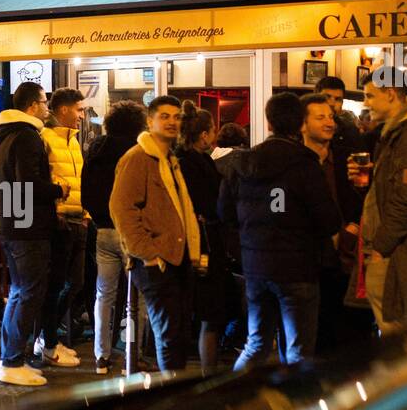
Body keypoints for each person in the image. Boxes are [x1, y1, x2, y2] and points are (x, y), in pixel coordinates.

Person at [220, 92, 341, 369]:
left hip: (256, 267)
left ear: (269, 122)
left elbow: (224, 212)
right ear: (300, 124)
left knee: (256, 342)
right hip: (297, 268)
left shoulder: (243, 163)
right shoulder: (305, 164)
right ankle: (295, 406)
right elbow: (329, 220)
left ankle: (231, 400)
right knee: (298, 350)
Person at [346, 76, 407, 335]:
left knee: (403, 337)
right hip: (398, 251)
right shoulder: (397, 134)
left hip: (400, 254)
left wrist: (381, 247)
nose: (366, 104)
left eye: (369, 96)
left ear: (391, 93)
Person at [110, 95, 203, 372]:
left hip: (177, 257)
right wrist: (148, 253)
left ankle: (174, 392)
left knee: (177, 334)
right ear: (150, 121)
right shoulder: (138, 157)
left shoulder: (169, 159)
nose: (172, 121)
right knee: (169, 336)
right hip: (156, 260)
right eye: (165, 116)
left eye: (177, 117)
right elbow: (122, 208)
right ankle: (170, 398)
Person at [0, 82, 68, 386]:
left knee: (18, 292)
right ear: (33, 106)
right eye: (44, 102)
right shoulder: (26, 137)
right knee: (29, 293)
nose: (47, 107)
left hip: (12, 225)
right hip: (27, 228)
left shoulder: (8, 137)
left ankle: (11, 358)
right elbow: (29, 184)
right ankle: (11, 361)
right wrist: (58, 190)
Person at [82, 100, 149, 374]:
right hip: (132, 232)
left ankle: (101, 356)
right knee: (138, 298)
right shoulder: (139, 151)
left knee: (104, 294)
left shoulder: (95, 151)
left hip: (103, 231)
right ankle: (134, 355)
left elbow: (87, 193)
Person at [300, 92, 367, 354]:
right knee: (315, 336)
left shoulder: (347, 158)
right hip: (309, 260)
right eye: (321, 117)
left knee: (351, 334)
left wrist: (353, 224)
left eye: (331, 116)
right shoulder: (295, 161)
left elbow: (363, 200)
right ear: (302, 124)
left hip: (346, 256)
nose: (330, 122)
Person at [177, 103, 236, 375]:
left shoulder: (181, 161)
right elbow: (210, 205)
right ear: (203, 135)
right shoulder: (197, 164)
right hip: (204, 246)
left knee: (204, 314)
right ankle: (208, 373)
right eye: (212, 130)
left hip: (196, 245)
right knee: (210, 315)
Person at [37, 87, 89, 368]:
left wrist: (86, 214)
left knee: (75, 283)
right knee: (55, 284)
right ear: (64, 109)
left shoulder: (73, 141)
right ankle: (46, 342)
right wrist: (55, 213)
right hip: (59, 221)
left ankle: (48, 338)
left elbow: (80, 179)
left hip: (78, 219)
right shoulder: (44, 138)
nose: (82, 116)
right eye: (79, 110)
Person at [316, 76, 361, 152]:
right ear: (315, 98)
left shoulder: (351, 133)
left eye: (338, 99)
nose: (332, 103)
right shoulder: (301, 130)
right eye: (327, 97)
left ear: (342, 103)